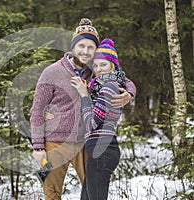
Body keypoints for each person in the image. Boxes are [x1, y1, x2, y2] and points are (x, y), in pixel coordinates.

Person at [30, 18, 136, 200]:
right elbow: (37, 110)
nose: (85, 51)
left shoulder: (95, 70)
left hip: (85, 143)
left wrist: (129, 94)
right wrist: (38, 147)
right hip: (55, 142)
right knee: (52, 193)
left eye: (90, 47)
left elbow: (125, 80)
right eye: (81, 45)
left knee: (91, 191)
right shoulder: (52, 72)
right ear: (73, 46)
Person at [71, 38, 126, 200]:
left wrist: (83, 95)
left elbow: (92, 123)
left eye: (103, 65)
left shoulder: (109, 87)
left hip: (103, 150)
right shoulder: (101, 86)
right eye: (95, 65)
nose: (98, 69)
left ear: (112, 66)